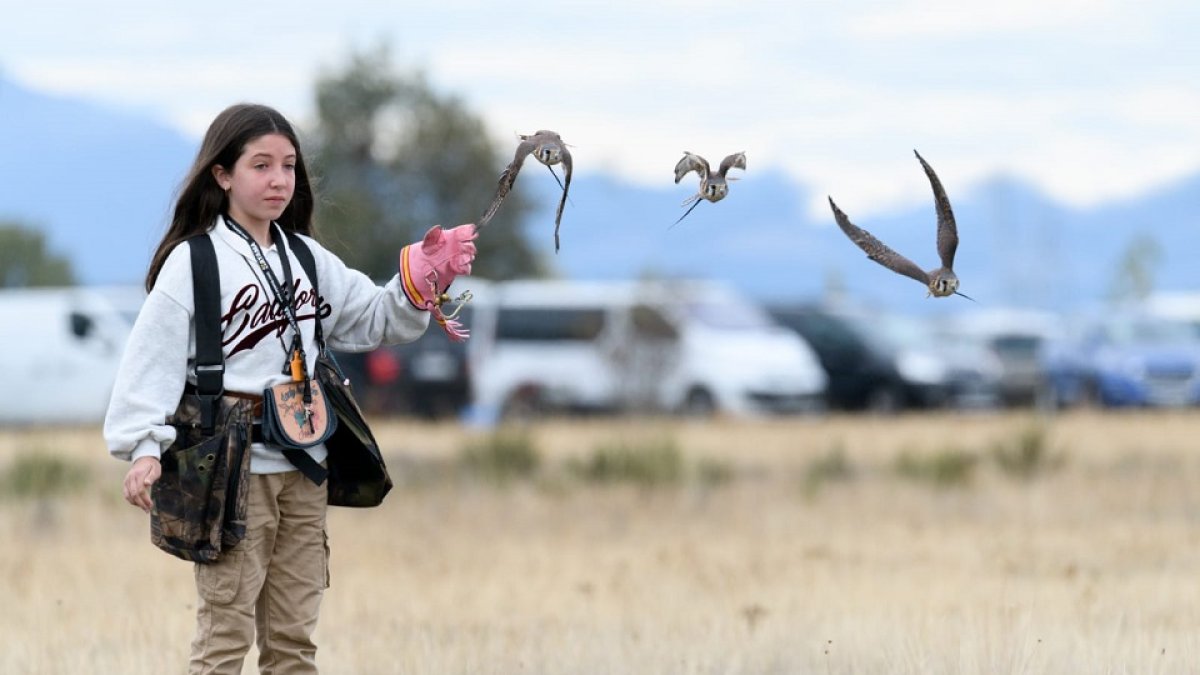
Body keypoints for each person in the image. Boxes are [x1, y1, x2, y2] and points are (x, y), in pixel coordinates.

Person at [103, 102, 477, 674]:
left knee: (294, 646)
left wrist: (422, 279)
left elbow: (375, 318)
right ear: (222, 175)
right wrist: (144, 448)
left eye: (289, 165)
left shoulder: (304, 255)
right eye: (260, 165)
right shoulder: (195, 262)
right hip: (231, 469)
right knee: (223, 640)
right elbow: (147, 364)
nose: (279, 179)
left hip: (305, 463)